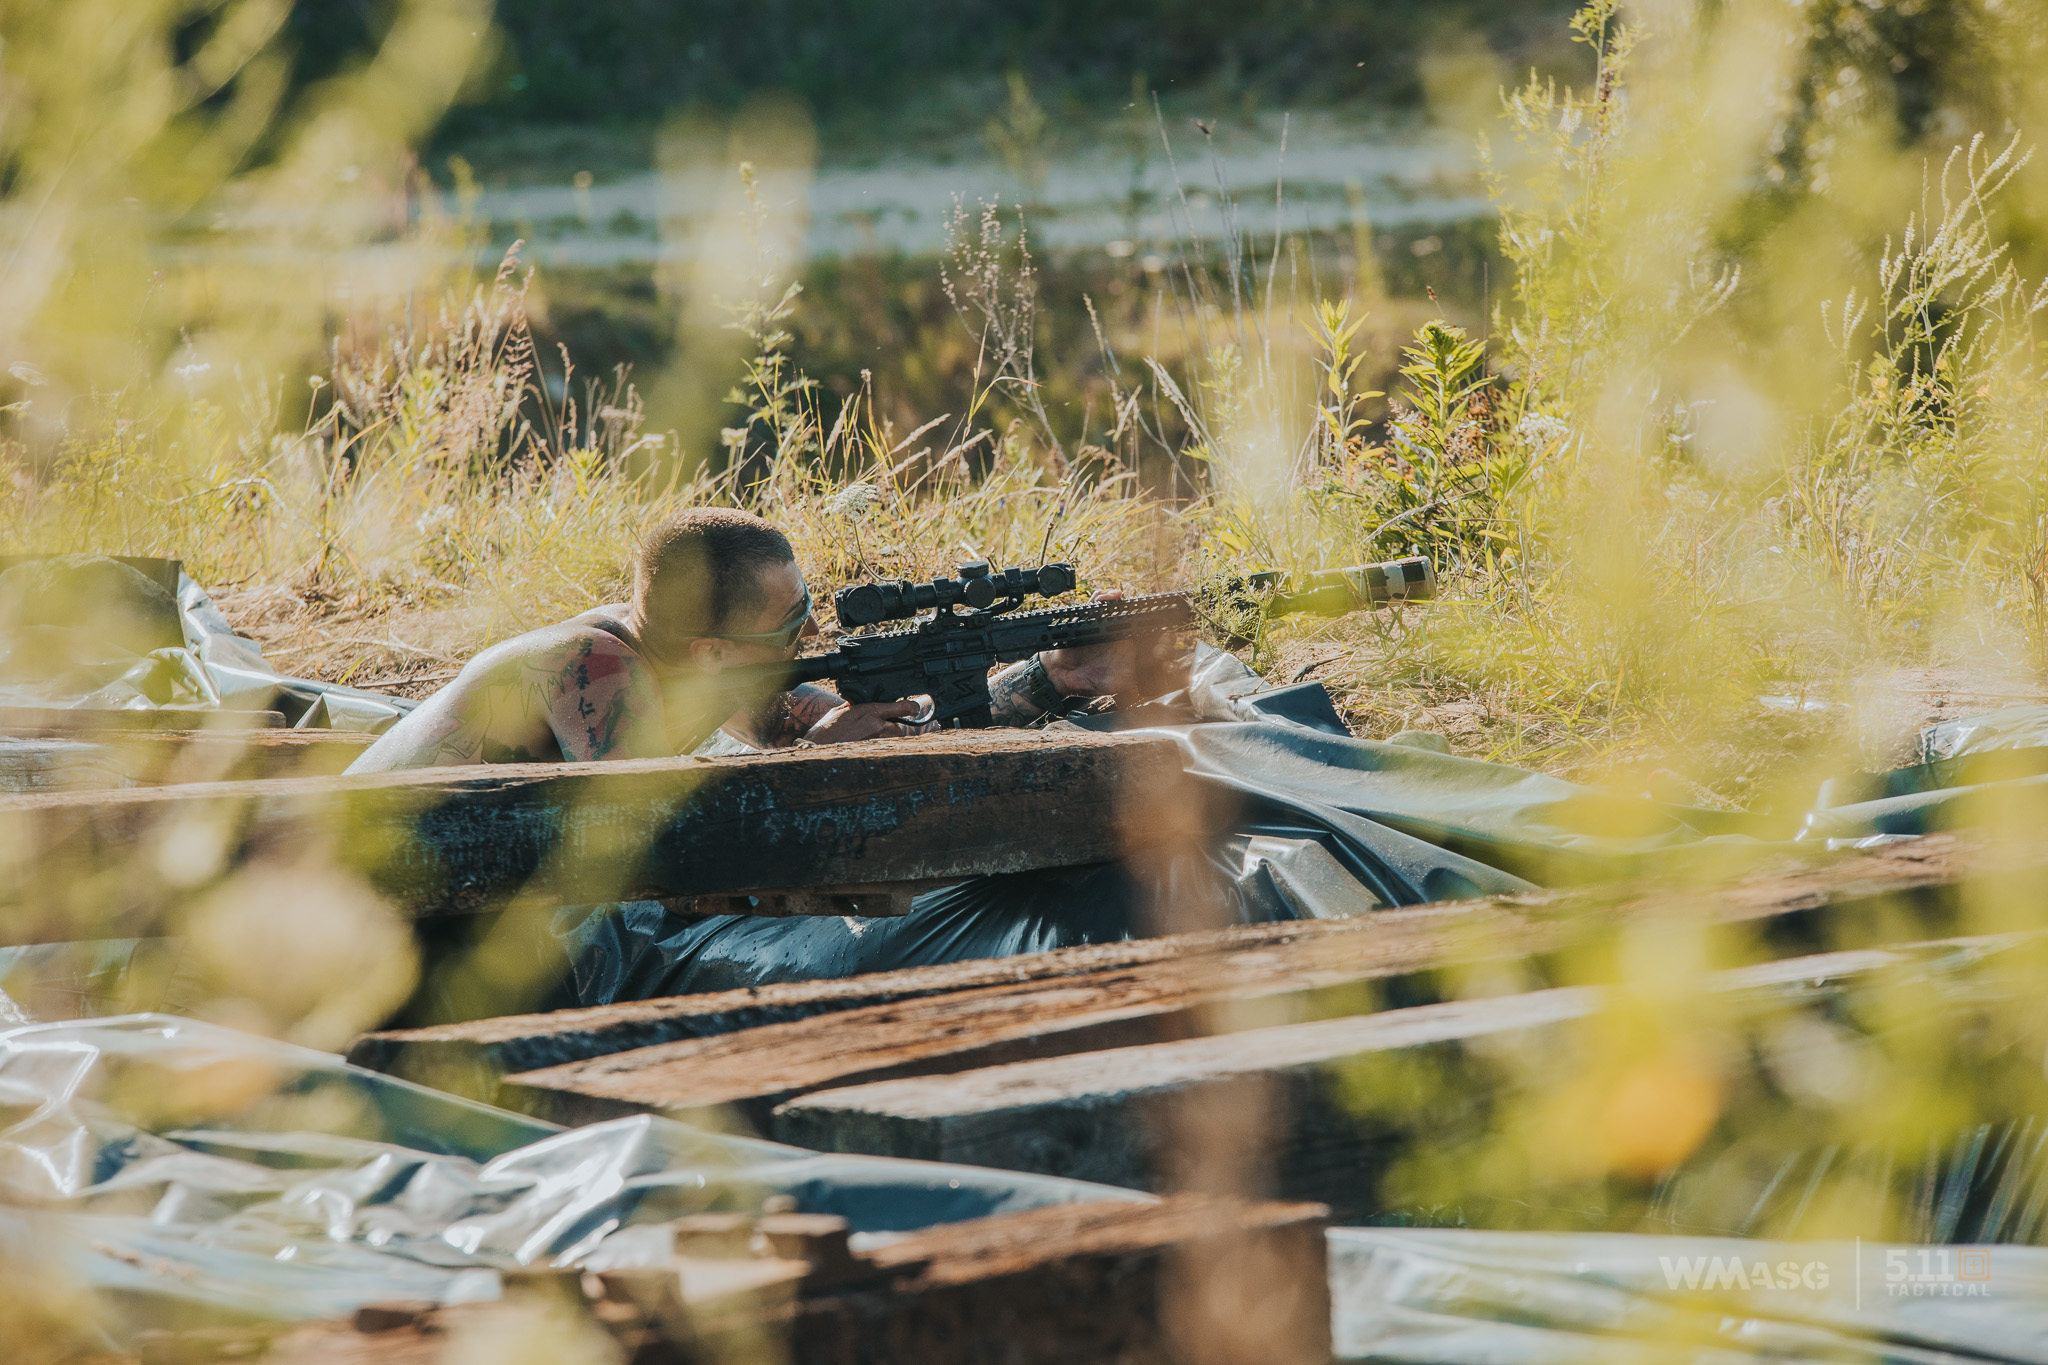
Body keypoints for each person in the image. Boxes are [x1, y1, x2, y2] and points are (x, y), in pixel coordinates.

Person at [347, 507, 1161, 774]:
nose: (813, 632)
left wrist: (1053, 674)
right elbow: (653, 851)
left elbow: (899, 729)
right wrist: (813, 755)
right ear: (712, 649)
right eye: (791, 623)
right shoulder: (591, 668)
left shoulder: (708, 668)